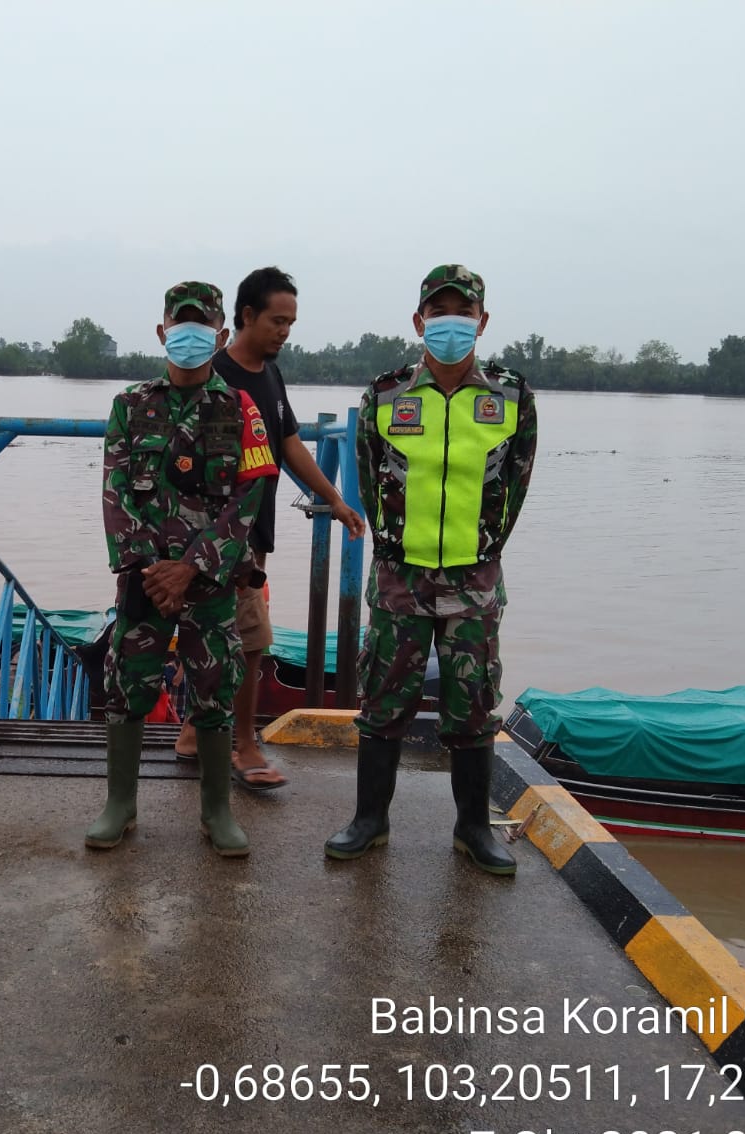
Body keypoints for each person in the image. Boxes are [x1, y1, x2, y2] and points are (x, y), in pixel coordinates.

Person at [325, 264, 537, 875]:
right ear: (419, 321)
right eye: (439, 313)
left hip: (473, 577)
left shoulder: (510, 396)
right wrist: (392, 546)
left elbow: (517, 483)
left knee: (472, 703)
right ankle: (370, 821)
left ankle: (474, 829)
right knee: (384, 700)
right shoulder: (387, 394)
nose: (451, 324)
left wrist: (485, 547)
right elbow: (367, 478)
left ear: (482, 322)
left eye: (462, 313)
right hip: (400, 575)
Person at [89, 281, 280, 857]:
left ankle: (217, 812)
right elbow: (115, 490)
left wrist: (191, 568)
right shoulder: (130, 405)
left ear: (221, 334)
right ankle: (119, 805)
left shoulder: (239, 409)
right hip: (145, 583)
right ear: (162, 332)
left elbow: (249, 497)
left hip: (210, 584)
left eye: (202, 326)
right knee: (128, 686)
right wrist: (154, 570)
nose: (190, 335)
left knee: (215, 691)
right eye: (181, 324)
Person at [172, 267, 365, 790]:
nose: (285, 331)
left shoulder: (268, 375)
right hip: (210, 541)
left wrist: (336, 501)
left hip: (250, 541)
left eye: (291, 323)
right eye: (277, 321)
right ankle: (243, 744)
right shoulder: (211, 375)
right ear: (247, 316)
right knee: (249, 642)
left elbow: (290, 444)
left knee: (230, 639)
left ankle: (193, 731)